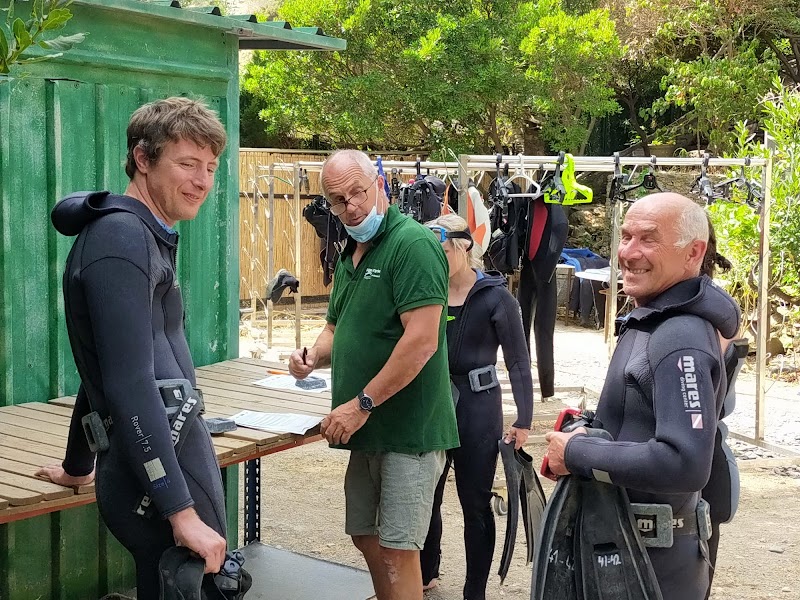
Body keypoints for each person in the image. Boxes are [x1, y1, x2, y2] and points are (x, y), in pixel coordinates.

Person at [38, 97, 231, 599]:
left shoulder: (145, 234)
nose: (202, 181)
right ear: (142, 159)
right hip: (155, 477)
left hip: (167, 455)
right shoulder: (121, 240)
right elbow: (127, 383)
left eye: (210, 167)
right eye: (187, 164)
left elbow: (99, 369)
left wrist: (76, 466)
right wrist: (179, 511)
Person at [543, 193, 741, 600]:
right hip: (626, 549)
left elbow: (684, 463)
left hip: (656, 567)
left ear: (694, 252)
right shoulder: (654, 320)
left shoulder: (680, 335)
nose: (628, 252)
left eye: (648, 239)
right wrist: (589, 429)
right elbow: (640, 418)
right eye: (626, 236)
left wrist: (577, 454)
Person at [288, 150, 459, 600]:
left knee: (397, 549)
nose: (351, 207)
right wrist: (312, 356)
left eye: (358, 193)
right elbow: (334, 327)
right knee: (366, 537)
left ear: (379, 185)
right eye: (339, 200)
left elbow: (421, 342)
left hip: (407, 431)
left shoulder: (413, 245)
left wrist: (362, 403)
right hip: (365, 430)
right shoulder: (351, 251)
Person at [418, 214, 533, 599]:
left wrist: (524, 418)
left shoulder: (497, 296)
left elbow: (518, 360)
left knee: (475, 502)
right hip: (433, 402)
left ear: (464, 246)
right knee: (426, 495)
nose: (437, 257)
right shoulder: (425, 291)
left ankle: (475, 590)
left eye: (444, 249)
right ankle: (425, 571)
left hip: (477, 406)